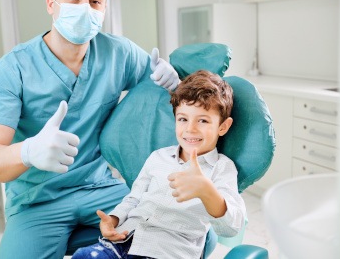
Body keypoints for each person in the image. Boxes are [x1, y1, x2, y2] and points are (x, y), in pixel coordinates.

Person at [0, 0, 179, 258]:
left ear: (104, 9)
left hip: (101, 189)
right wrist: (28, 151)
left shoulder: (119, 53)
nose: (85, 8)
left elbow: (175, 98)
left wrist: (175, 82)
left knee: (186, 234)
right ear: (51, 4)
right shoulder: (11, 69)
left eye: (95, 1)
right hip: (37, 201)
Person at [72, 70, 247, 259]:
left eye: (203, 120)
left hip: (166, 251)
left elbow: (232, 227)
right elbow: (134, 198)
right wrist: (113, 219)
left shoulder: (222, 168)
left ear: (223, 126)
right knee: (83, 256)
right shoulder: (158, 157)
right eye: (183, 119)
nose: (190, 128)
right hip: (123, 240)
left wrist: (207, 191)